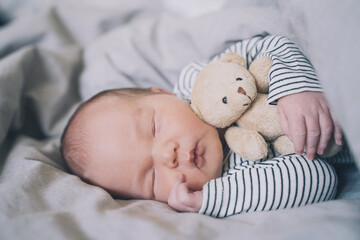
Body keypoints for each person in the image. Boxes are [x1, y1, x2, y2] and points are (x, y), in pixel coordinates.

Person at [61, 34, 348, 218]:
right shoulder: (232, 184)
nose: (166, 157)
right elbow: (318, 177)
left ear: (163, 94)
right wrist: (210, 200)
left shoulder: (204, 80)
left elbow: (274, 45)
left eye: (154, 128)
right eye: (152, 179)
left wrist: (294, 89)